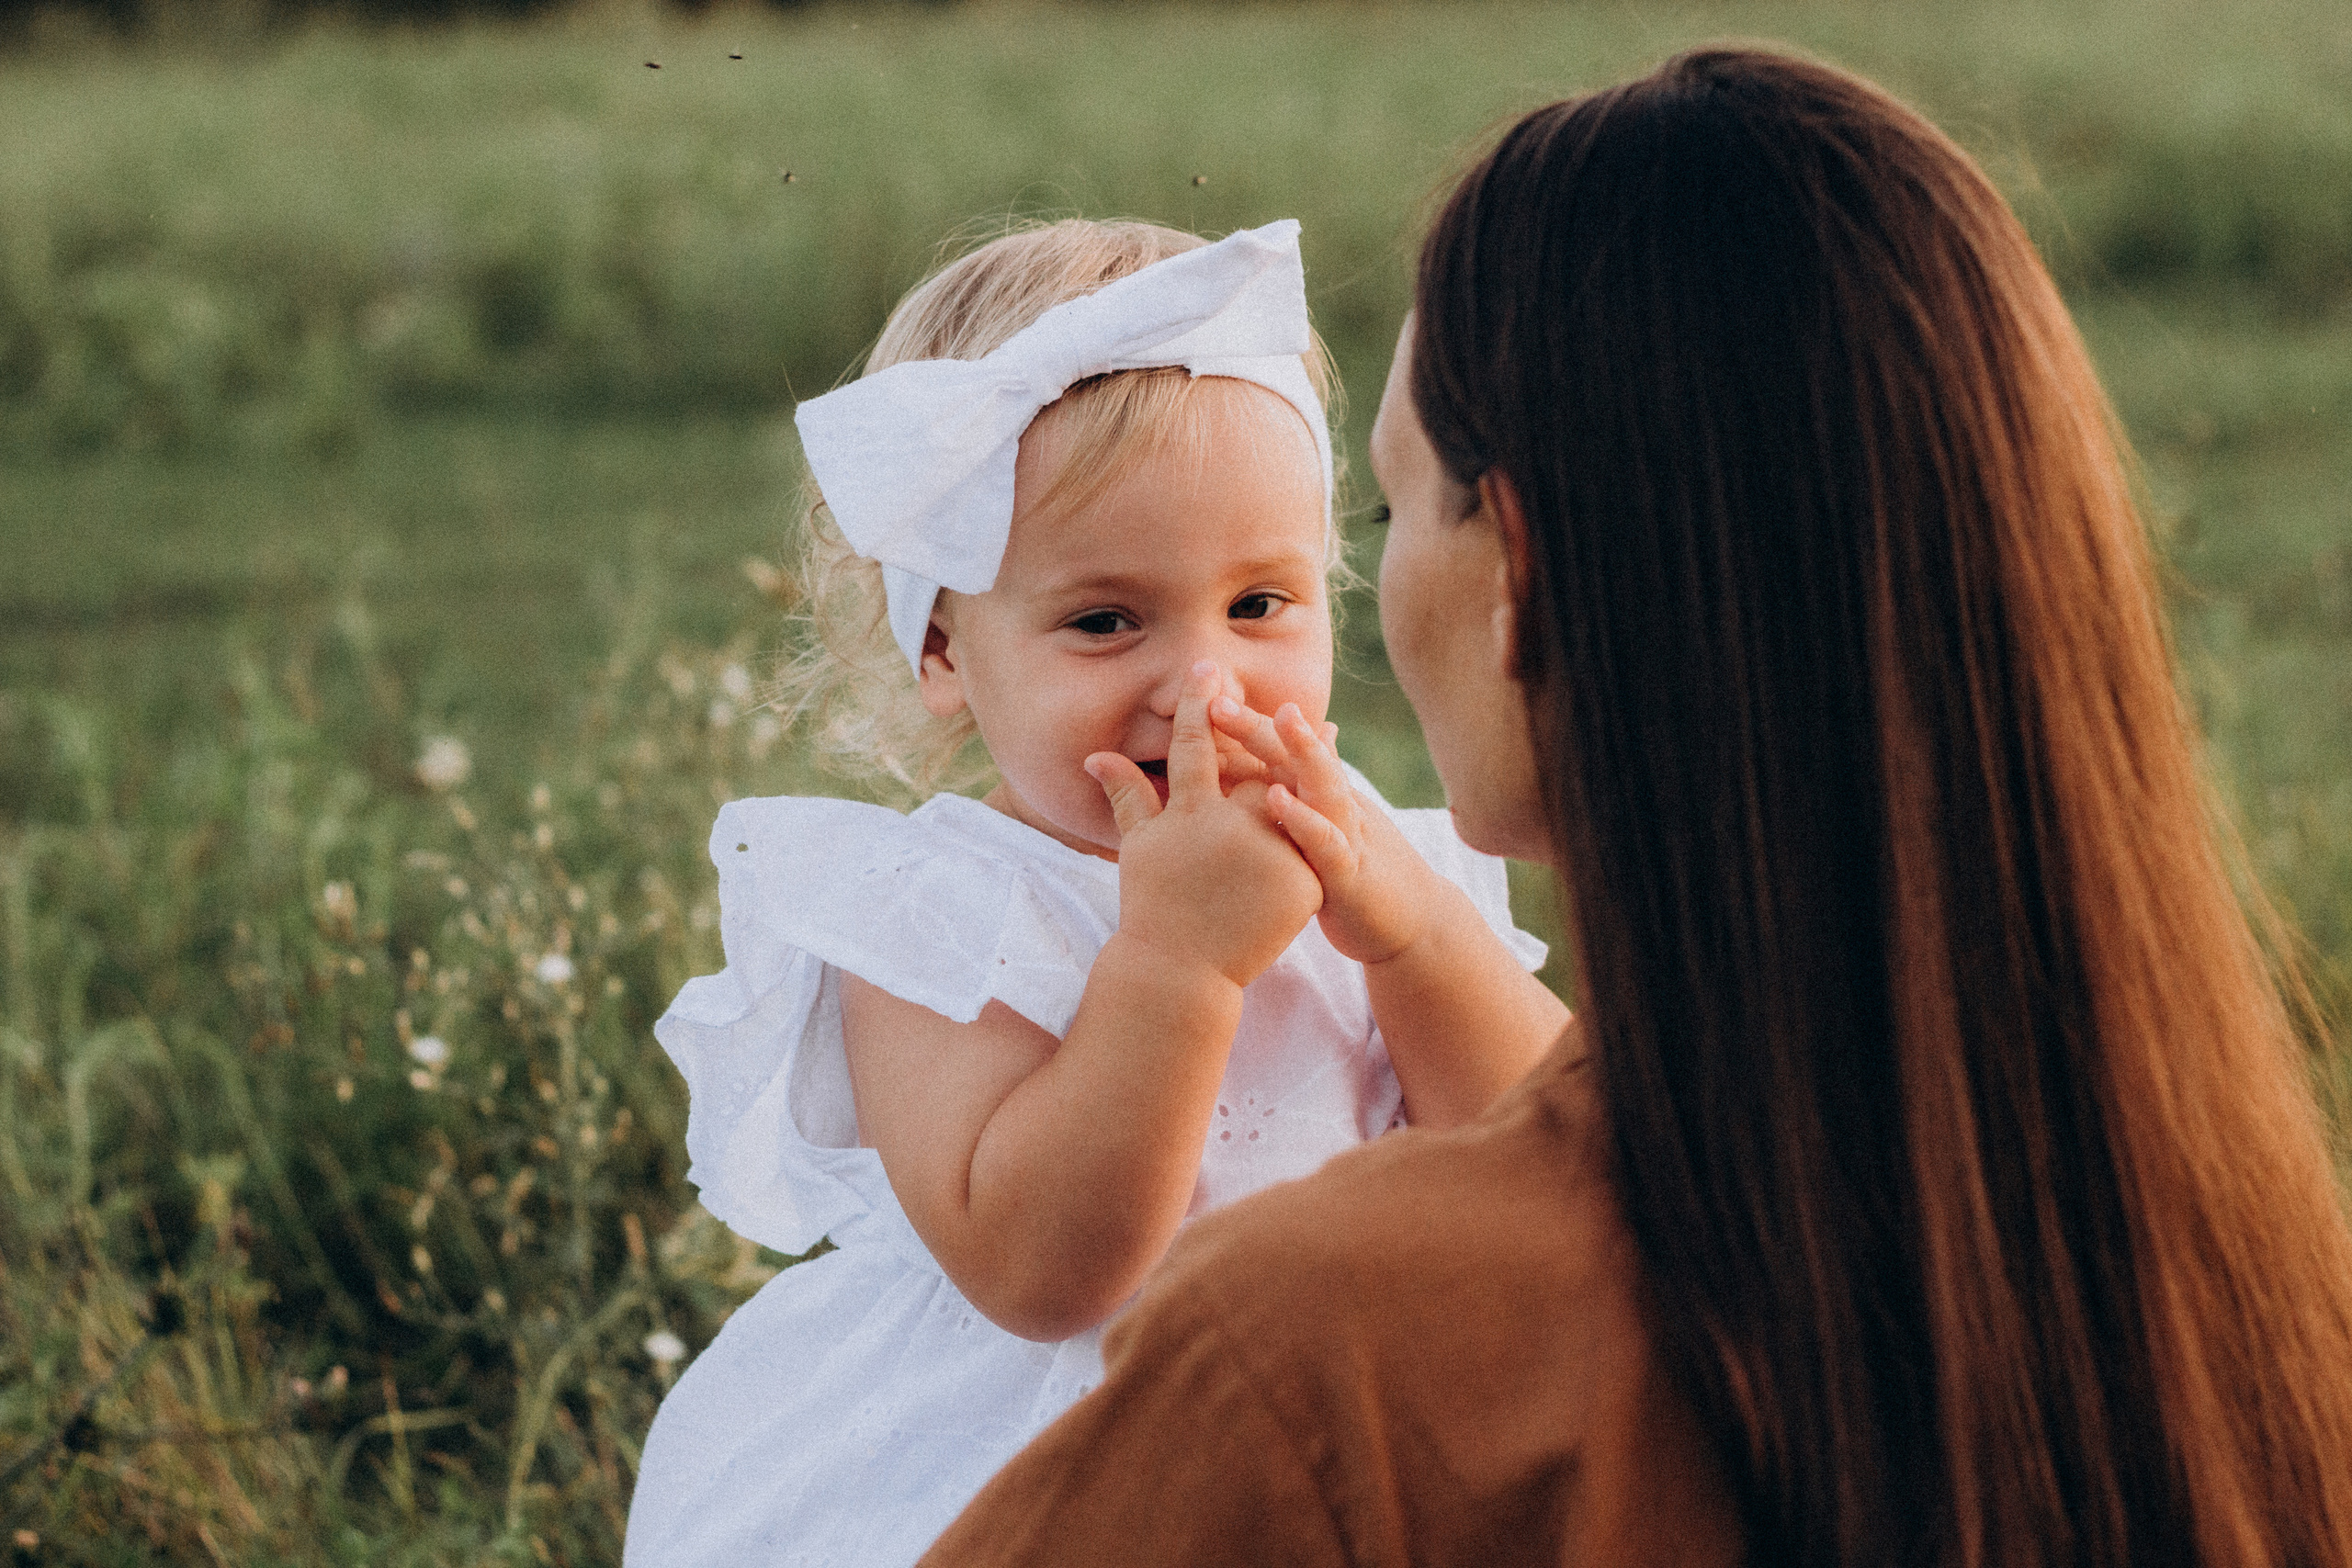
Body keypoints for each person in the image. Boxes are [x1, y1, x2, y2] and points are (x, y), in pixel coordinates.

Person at [920, 49, 2352, 1568]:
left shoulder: (1308, 1354)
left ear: (1517, 580)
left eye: (1389, 513)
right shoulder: (2241, 1259)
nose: (1207, 678)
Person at [621, 217, 1566, 1568]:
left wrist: (1412, 939)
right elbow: (1042, 1271)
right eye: (1106, 621)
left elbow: (1538, 1144)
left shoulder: (1365, 851)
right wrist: (1177, 967)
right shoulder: (935, 915)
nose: (1205, 685)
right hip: (1054, 1461)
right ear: (948, 650)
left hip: (1349, 1415)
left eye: (1260, 605)